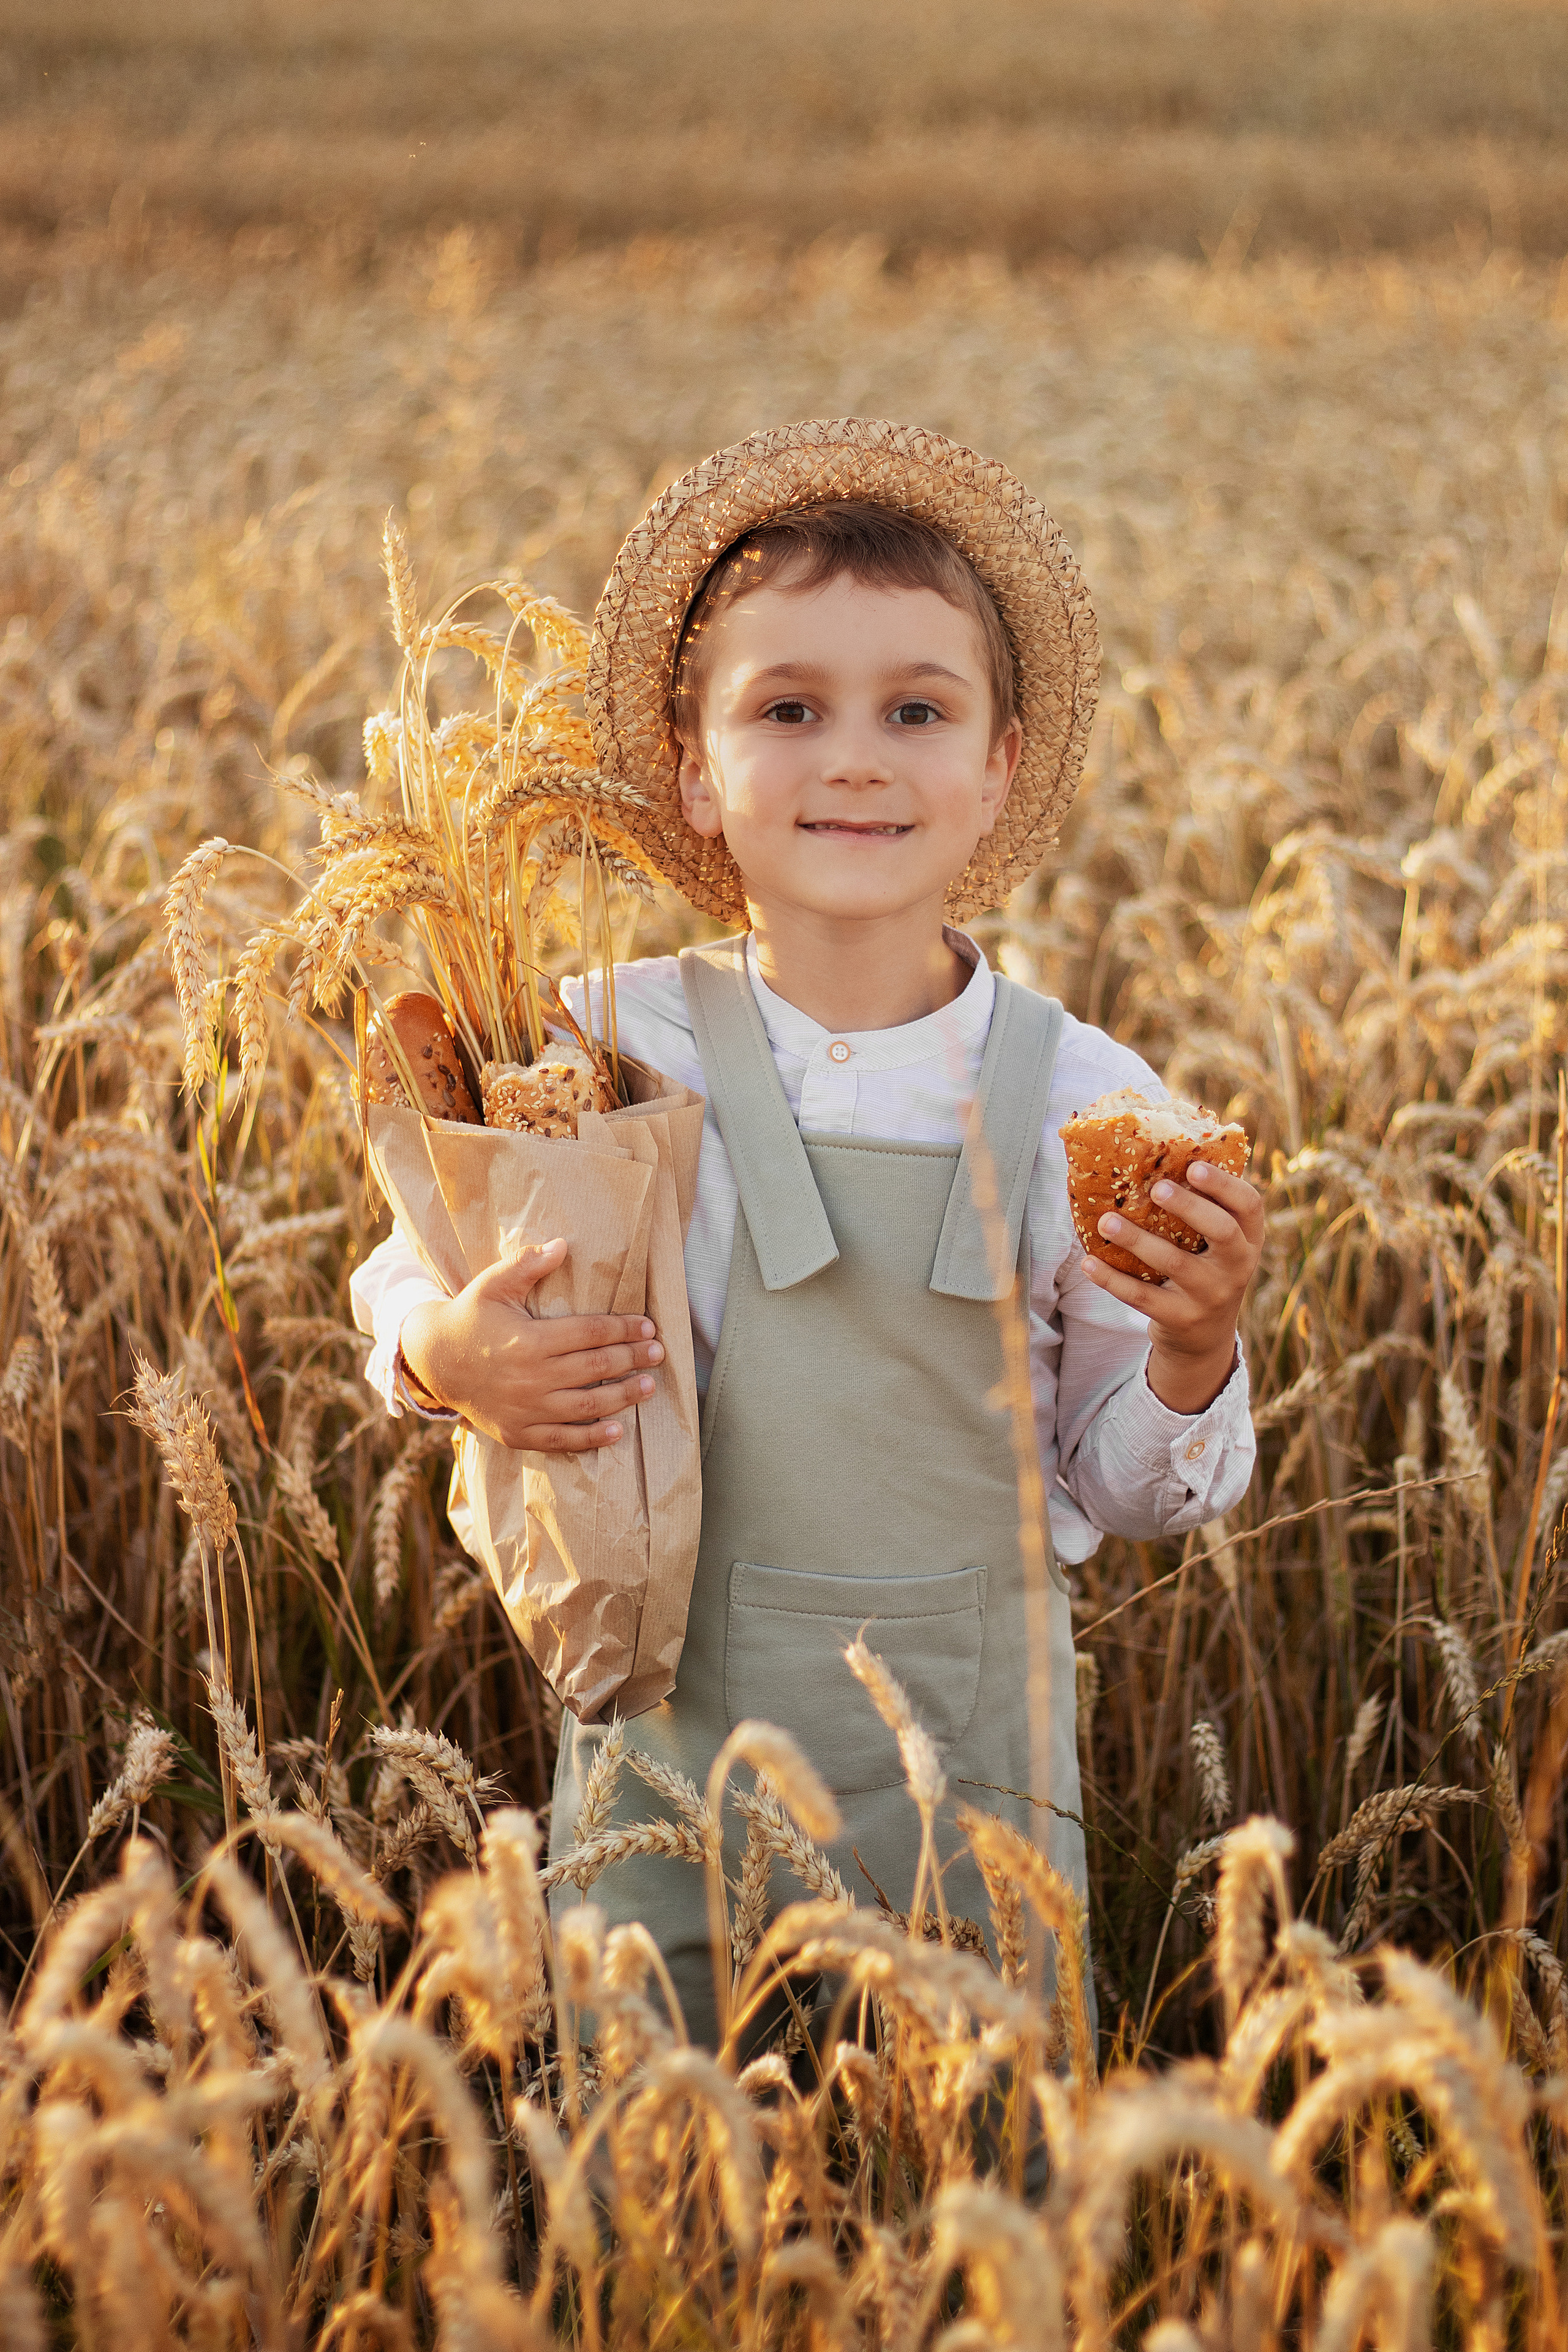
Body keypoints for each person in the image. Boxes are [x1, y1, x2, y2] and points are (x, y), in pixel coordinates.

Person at [351, 418, 1262, 2053]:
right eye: (788, 710)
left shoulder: (1094, 1105)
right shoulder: (592, 1043)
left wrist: (1195, 1348)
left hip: (972, 1804)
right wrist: (447, 1352)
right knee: (649, 2155)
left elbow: (1128, 1487)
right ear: (693, 770)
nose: (854, 759)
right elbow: (418, 1257)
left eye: (917, 710)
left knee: (978, 2170)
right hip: (666, 1766)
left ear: (999, 767)